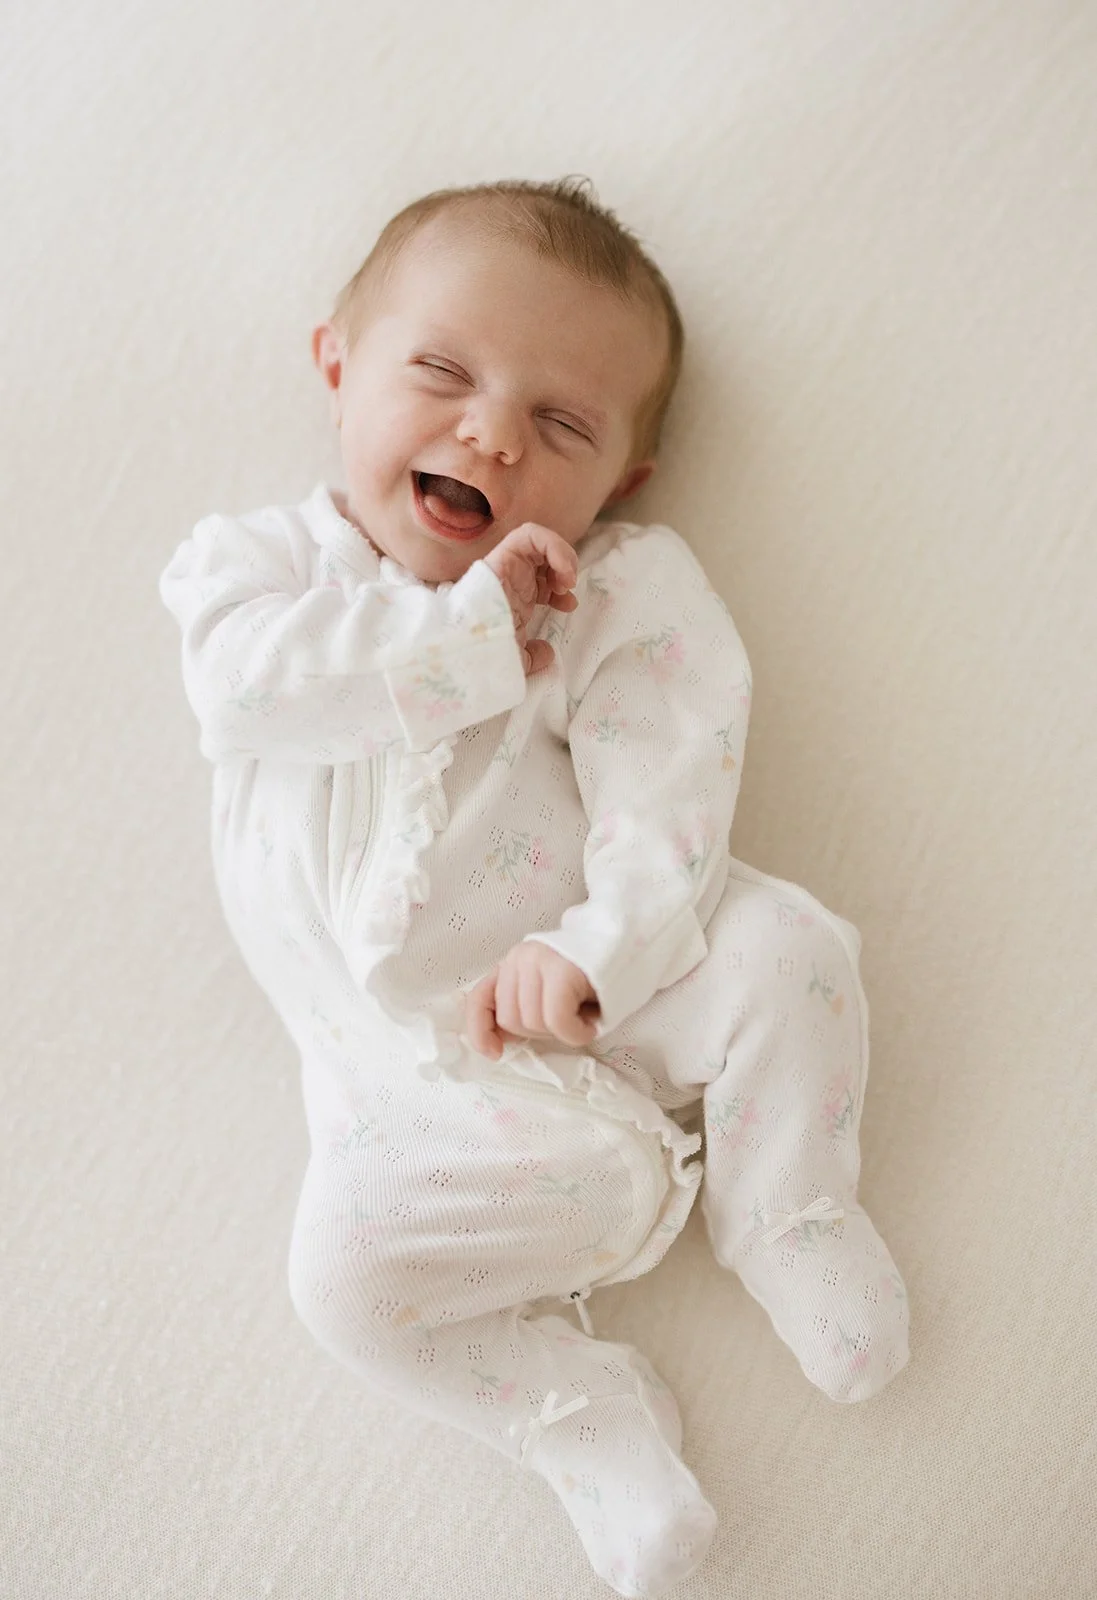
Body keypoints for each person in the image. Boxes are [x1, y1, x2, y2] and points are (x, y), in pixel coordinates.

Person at [159, 177, 909, 1599]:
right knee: (345, 1289)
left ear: (622, 476)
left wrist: (604, 950)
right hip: (419, 1082)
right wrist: (464, 633)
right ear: (337, 363)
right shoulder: (259, 574)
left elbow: (672, 781)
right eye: (440, 373)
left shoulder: (618, 587)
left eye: (561, 425)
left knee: (793, 947)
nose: (491, 431)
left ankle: (790, 1204)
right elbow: (246, 698)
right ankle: (584, 1420)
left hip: (611, 972)